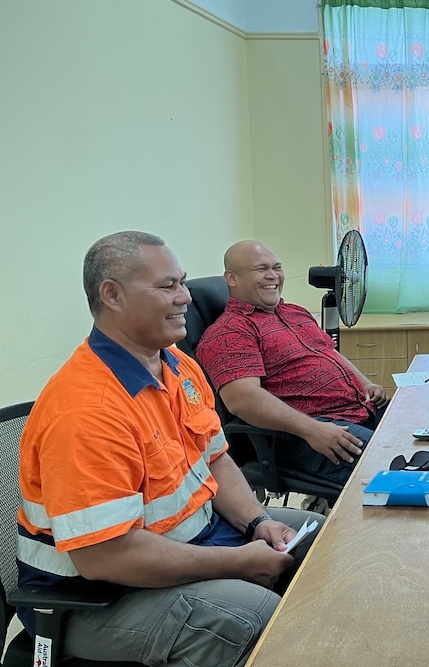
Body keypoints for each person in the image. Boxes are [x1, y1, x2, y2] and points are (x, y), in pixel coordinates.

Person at [16, 231, 323, 667]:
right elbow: (107, 556)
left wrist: (258, 521)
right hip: (96, 598)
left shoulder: (178, 366)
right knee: (254, 616)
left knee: (315, 541)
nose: (184, 298)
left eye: (182, 282)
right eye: (167, 286)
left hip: (188, 538)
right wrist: (235, 562)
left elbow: (215, 458)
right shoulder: (87, 409)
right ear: (113, 295)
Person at [197, 239, 389, 489]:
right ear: (232, 279)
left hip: (360, 411)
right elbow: (243, 400)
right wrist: (313, 431)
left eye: (277, 267)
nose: (272, 275)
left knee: (423, 438)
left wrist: (365, 383)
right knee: (396, 469)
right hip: (309, 433)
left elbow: (329, 352)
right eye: (261, 269)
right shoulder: (230, 332)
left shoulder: (295, 312)